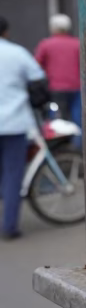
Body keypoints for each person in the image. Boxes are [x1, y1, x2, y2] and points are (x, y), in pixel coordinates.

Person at [0, 16, 46, 240]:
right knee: (12, 175)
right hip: (13, 124)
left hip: (13, 124)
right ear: (6, 31)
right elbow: (38, 78)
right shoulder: (17, 53)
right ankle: (9, 226)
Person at [34, 13, 81, 128]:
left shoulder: (45, 44)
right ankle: (79, 143)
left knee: (57, 119)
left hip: (55, 86)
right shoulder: (78, 44)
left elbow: (36, 66)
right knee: (78, 116)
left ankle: (60, 143)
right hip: (77, 86)